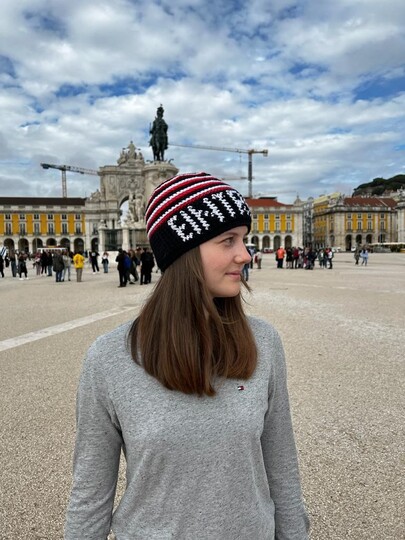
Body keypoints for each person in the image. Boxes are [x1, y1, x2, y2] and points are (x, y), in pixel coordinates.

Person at [65, 172, 310, 540]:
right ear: (184, 252)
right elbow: (89, 494)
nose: (245, 254)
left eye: (243, 239)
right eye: (228, 240)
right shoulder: (109, 358)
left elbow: (282, 467)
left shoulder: (263, 342)